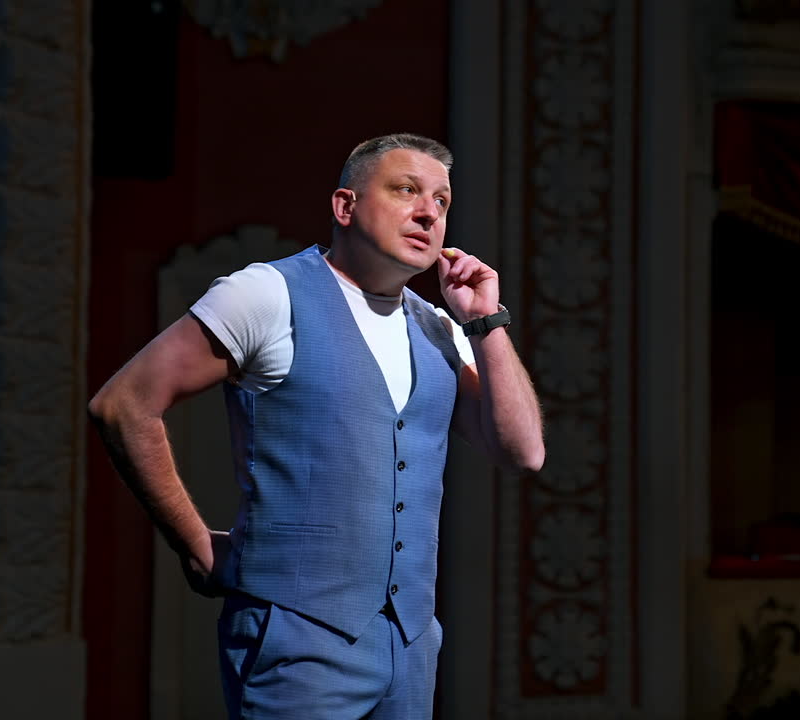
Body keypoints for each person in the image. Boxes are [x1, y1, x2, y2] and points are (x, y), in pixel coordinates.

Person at [88, 133, 545, 718]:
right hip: (296, 640)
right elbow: (123, 404)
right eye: (406, 190)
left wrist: (487, 323)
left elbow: (523, 451)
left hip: (409, 646)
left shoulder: (437, 327)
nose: (429, 211)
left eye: (441, 200)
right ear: (345, 206)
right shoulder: (265, 294)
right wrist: (195, 544)